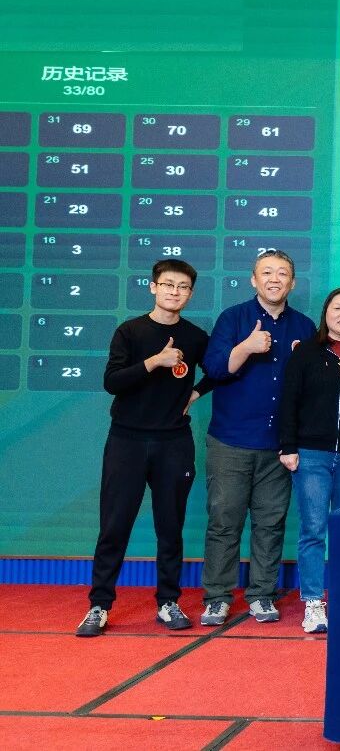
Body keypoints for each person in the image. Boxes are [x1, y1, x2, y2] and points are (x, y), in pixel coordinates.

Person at [77, 259, 212, 636]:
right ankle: (99, 605)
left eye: (182, 287)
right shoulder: (130, 331)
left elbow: (220, 371)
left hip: (174, 442)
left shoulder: (195, 337)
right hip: (127, 441)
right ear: (153, 287)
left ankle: (168, 602)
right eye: (168, 284)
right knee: (114, 526)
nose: (174, 292)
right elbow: (112, 382)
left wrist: (197, 391)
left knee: (171, 526)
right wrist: (155, 361)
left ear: (190, 294)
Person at [199, 249, 315, 626]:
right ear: (253, 280)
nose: (274, 279)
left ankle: (262, 594)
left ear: (292, 283)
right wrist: (246, 347)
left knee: (271, 522)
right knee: (224, 520)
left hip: (279, 446)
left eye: (282, 273)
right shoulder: (233, 318)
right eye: (266, 272)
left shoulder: (304, 327)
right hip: (230, 441)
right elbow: (215, 369)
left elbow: (313, 387)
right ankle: (217, 597)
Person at [278, 288, 340, 634]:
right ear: (326, 313)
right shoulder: (306, 353)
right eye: (337, 308)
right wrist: (288, 446)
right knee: (313, 529)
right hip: (311, 454)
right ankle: (313, 602)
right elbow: (289, 401)